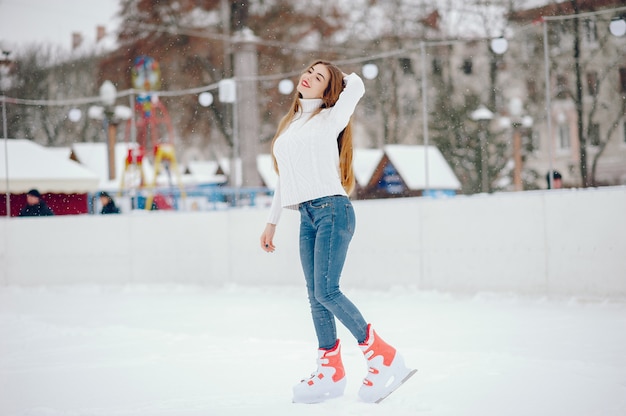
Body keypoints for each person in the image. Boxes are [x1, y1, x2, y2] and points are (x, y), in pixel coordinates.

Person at [259, 60, 415, 404]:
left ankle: (383, 356)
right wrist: (272, 222)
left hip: (333, 209)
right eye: (308, 71)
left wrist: (338, 78)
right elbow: (285, 179)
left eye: (319, 77)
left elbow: (356, 85)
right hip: (306, 215)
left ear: (328, 90)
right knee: (315, 296)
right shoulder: (291, 126)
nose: (309, 77)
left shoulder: (331, 117)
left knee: (327, 291)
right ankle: (330, 370)